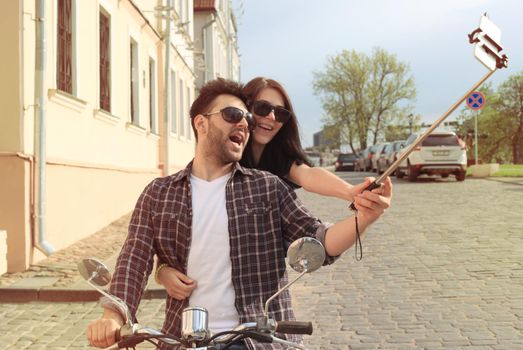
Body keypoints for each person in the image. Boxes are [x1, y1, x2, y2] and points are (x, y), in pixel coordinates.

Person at [86, 78, 392, 350]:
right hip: (182, 339)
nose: (245, 123)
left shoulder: (267, 187)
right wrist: (114, 315)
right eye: (233, 115)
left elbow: (320, 242)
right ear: (200, 123)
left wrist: (364, 217)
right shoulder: (159, 193)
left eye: (247, 117)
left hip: (257, 339)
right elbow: (133, 259)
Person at [157, 77, 373, 297]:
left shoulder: (274, 171)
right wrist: (162, 270)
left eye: (281, 113)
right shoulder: (217, 159)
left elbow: (308, 175)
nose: (271, 117)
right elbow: (176, 234)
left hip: (257, 288)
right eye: (263, 108)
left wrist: (352, 193)